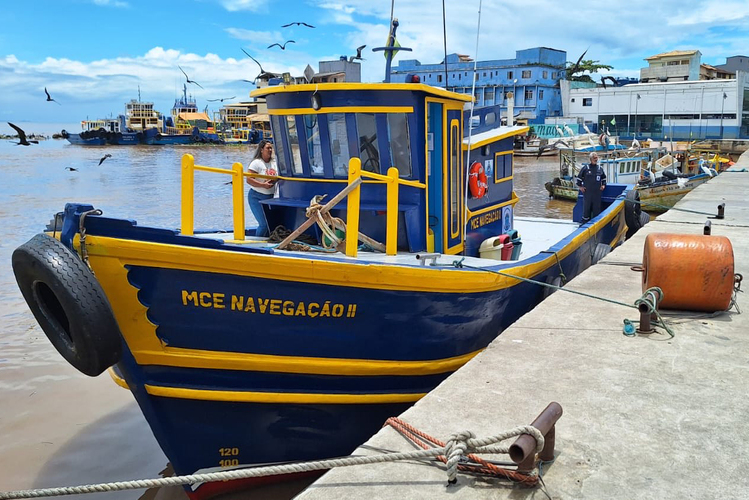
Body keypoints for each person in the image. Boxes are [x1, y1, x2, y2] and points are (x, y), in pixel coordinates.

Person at [246, 139, 278, 237]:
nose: (270, 150)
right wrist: (263, 185)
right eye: (267, 148)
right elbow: (249, 180)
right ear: (261, 150)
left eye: (271, 148)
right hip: (256, 197)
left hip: (270, 198)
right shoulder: (256, 163)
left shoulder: (274, 163)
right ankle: (257, 243)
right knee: (264, 224)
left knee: (272, 224)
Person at [576, 152, 607, 223]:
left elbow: (604, 178)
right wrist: (580, 187)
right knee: (586, 210)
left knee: (597, 211)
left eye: (596, 158)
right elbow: (579, 179)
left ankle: (596, 225)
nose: (596, 159)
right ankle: (585, 224)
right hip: (588, 194)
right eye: (594, 158)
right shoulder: (585, 168)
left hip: (597, 194)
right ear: (590, 159)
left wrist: (603, 185)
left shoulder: (600, 168)